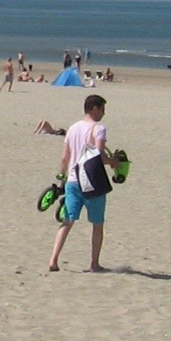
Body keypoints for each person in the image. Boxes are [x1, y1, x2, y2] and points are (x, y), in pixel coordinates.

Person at [50, 93, 111, 273]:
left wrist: (61, 180)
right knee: (97, 224)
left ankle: (53, 260)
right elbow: (99, 155)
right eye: (102, 109)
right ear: (94, 108)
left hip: (72, 181)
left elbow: (64, 158)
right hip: (92, 183)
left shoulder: (72, 128)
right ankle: (94, 264)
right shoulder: (98, 128)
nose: (103, 113)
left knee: (67, 221)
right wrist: (113, 162)